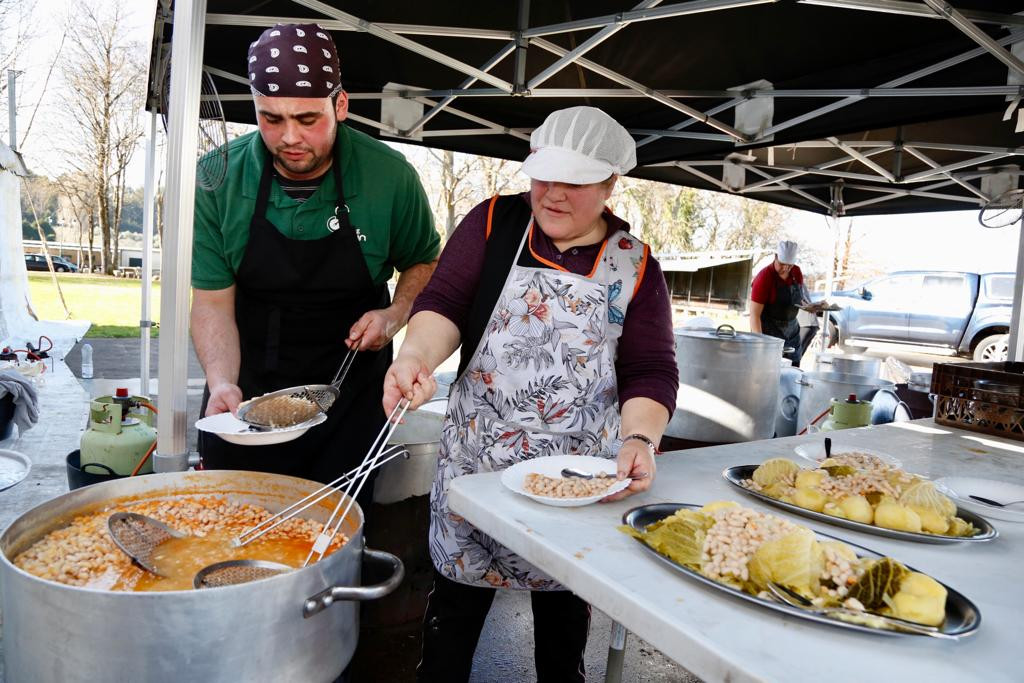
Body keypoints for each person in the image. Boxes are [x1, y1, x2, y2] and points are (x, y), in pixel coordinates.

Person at [382, 106, 679, 682]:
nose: (554, 195)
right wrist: (415, 356)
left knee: (562, 646)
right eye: (545, 176)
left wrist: (640, 436)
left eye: (575, 181)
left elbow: (650, 367)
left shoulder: (635, 266)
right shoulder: (494, 223)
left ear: (610, 183)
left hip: (574, 484)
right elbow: (442, 304)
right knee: (450, 634)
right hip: (478, 469)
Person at [190, 23, 439, 494]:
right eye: (271, 118)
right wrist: (222, 381)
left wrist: (394, 313)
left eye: (307, 119)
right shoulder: (217, 178)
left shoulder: (390, 176)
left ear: (339, 105)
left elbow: (424, 262)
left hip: (349, 392)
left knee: (332, 537)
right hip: (248, 390)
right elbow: (212, 303)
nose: (289, 137)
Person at [749, 240, 812, 366]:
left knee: (793, 370)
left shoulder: (796, 272)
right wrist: (761, 343)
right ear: (775, 257)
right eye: (782, 264)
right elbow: (754, 315)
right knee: (769, 371)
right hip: (769, 333)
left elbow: (797, 298)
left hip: (792, 331)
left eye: (790, 265)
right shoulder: (764, 278)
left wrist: (810, 307)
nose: (786, 268)